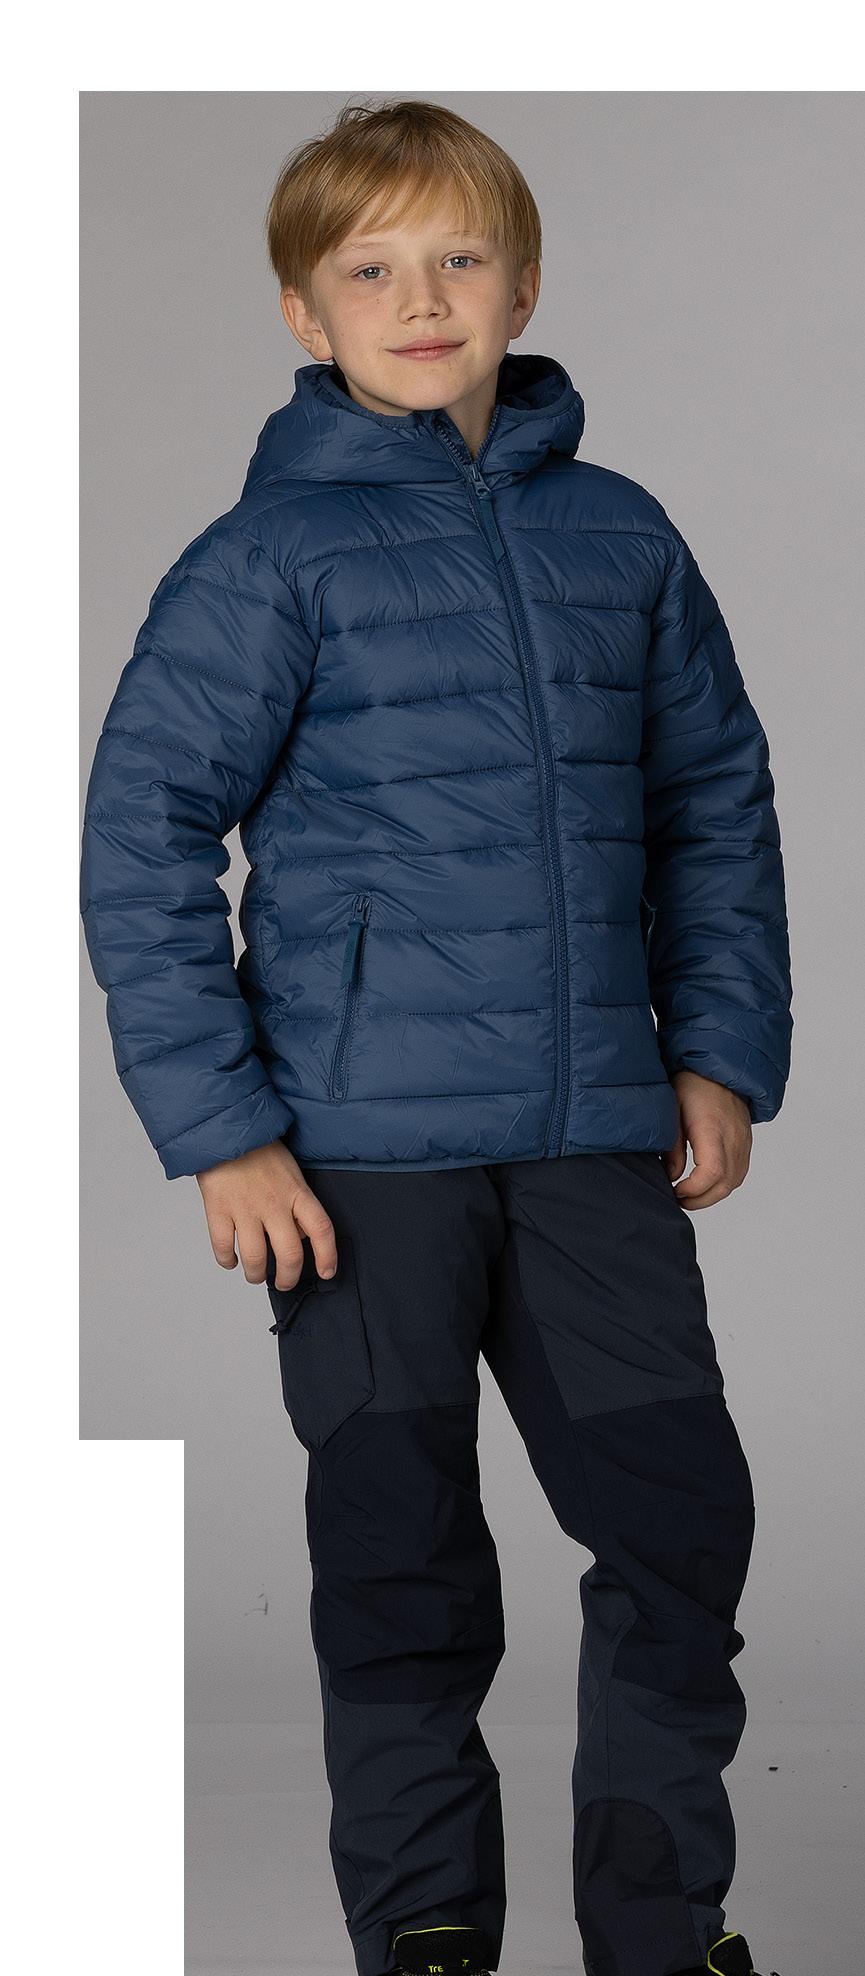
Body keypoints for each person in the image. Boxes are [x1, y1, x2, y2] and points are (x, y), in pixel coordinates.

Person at [80, 97, 791, 1976]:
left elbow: (713, 806)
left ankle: (660, 1932)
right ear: (303, 314)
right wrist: (225, 1130)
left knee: (677, 1529)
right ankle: (425, 1933)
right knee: (399, 1560)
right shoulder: (267, 560)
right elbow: (141, 832)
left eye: (459, 258)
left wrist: (717, 1053)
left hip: (590, 1143)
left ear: (522, 285)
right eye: (372, 269)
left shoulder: (620, 538)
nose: (421, 299)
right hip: (355, 1161)